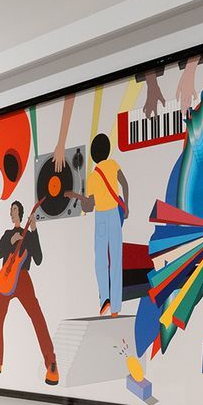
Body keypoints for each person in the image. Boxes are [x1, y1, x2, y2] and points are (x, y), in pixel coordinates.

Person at [0, 200, 58, 385]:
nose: (12, 212)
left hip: (23, 278)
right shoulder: (7, 234)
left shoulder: (29, 236)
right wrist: (11, 241)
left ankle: (51, 365)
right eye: (11, 210)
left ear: (21, 212)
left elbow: (38, 259)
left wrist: (34, 230)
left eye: (15, 209)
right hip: (6, 278)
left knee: (37, 317)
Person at [79, 132, 129, 315]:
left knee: (101, 260)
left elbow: (90, 206)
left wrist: (81, 199)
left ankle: (104, 300)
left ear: (93, 154)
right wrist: (127, 206)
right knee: (116, 259)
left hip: (100, 217)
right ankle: (116, 308)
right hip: (114, 214)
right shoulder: (113, 165)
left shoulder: (93, 177)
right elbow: (124, 184)